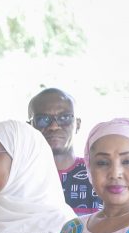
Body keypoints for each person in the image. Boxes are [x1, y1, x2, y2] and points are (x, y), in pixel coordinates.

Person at [28, 87, 102, 215]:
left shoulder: (98, 174)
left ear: (77, 124)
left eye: (64, 117)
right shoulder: (19, 177)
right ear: (30, 127)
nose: (54, 126)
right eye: (42, 119)